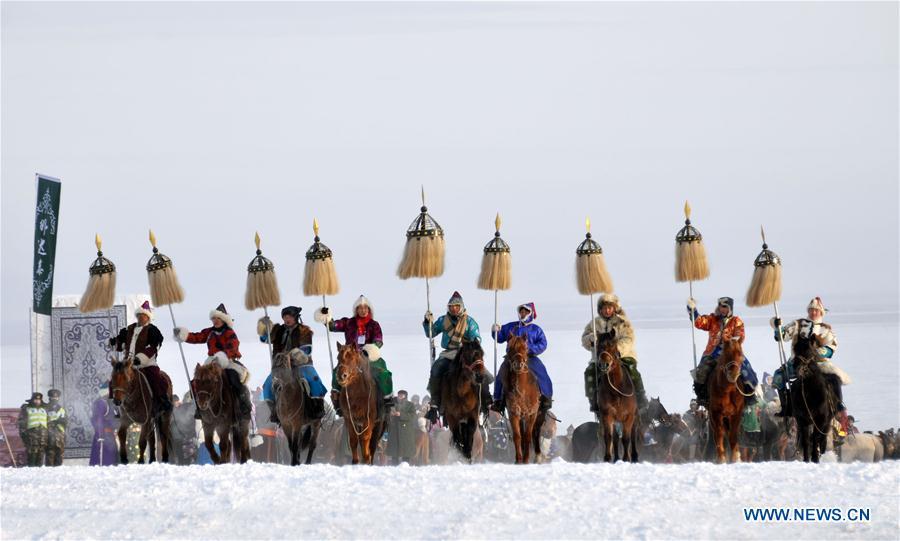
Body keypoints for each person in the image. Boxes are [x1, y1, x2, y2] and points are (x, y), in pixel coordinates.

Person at [771, 297, 848, 429]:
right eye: (811, 310)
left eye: (816, 310)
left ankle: (838, 405)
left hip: (819, 363)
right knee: (778, 376)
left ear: (821, 312)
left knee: (835, 378)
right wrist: (777, 326)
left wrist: (817, 353)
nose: (813, 313)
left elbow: (832, 347)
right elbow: (782, 337)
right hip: (797, 362)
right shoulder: (798, 324)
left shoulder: (826, 329)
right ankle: (786, 408)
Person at [174, 303, 253, 420]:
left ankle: (244, 405)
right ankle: (199, 408)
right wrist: (183, 335)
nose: (215, 321)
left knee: (234, 378)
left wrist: (222, 357)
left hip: (227, 361)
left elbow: (233, 347)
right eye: (213, 319)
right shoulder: (209, 332)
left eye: (218, 318)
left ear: (223, 320)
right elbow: (197, 337)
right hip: (211, 362)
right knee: (195, 382)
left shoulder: (230, 333)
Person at [316, 295, 394, 412]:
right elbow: (333, 326)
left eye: (365, 308)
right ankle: (337, 398)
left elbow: (379, 340)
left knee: (383, 373)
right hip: (350, 356)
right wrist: (326, 316)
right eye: (360, 308)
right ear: (356, 310)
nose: (363, 310)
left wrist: (370, 349)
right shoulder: (349, 322)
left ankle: (387, 399)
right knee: (338, 371)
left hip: (368, 356)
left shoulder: (374, 324)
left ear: (369, 310)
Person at [422, 291, 490, 423]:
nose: (453, 309)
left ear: (461, 306)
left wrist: (471, 345)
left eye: (456, 306)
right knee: (436, 369)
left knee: (482, 371)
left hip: (465, 353)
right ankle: (435, 403)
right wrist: (427, 322)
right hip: (449, 353)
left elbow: (476, 339)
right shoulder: (443, 320)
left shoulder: (470, 322)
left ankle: (486, 400)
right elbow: (431, 333)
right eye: (451, 306)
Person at [258, 306, 327, 422]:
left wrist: (296, 354)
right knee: (267, 385)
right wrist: (265, 327)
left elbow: (307, 349)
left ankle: (318, 407)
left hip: (301, 364)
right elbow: (265, 339)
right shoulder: (277, 330)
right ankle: (275, 411)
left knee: (314, 380)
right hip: (281, 366)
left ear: (295, 317)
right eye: (284, 317)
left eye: (289, 316)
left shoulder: (304, 330)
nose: (287, 319)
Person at [581, 294, 648, 412]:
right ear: (600, 309)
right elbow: (585, 339)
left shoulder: (622, 322)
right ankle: (594, 400)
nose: (607, 310)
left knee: (632, 370)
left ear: (614, 308)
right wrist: (592, 338)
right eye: (604, 308)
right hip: (601, 358)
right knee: (590, 372)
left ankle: (641, 396)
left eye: (609, 308)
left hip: (622, 355)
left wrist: (617, 350)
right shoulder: (594, 324)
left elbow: (629, 339)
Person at [687, 296, 757, 406]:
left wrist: (732, 341)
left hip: (731, 351)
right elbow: (699, 322)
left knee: (745, 369)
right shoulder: (712, 319)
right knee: (701, 372)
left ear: (730, 308)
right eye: (720, 306)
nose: (722, 309)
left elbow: (740, 334)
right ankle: (702, 396)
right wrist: (693, 309)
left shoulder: (736, 321)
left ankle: (749, 396)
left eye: (725, 306)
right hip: (712, 352)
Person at [490, 302, 553, 414]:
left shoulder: (536, 329)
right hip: (511, 358)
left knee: (542, 372)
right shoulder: (511, 326)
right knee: (501, 374)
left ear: (531, 313)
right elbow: (499, 338)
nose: (523, 313)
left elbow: (543, 344)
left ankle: (546, 397)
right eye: (521, 311)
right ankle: (498, 399)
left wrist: (528, 348)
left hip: (530, 357)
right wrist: (495, 330)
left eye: (525, 311)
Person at [110, 300, 172, 413]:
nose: (140, 318)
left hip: (146, 362)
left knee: (155, 378)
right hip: (128, 363)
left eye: (143, 316)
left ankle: (162, 401)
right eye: (139, 315)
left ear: (148, 317)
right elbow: (121, 340)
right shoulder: (129, 329)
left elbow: (154, 346)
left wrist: (140, 358)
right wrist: (115, 342)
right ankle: (114, 400)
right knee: (116, 376)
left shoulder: (153, 330)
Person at [90, 383, 119, 466]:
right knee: (105, 462)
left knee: (112, 462)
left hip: (110, 435)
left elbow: (116, 417)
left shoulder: (110, 403)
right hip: (104, 436)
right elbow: (98, 420)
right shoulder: (101, 403)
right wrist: (100, 435)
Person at [387, 390, 418, 465]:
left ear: (405, 396)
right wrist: (390, 413)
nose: (400, 396)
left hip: (406, 431)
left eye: (402, 395)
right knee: (394, 450)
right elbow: (386, 412)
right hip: (394, 429)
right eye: (399, 395)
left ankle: (405, 466)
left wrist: (401, 414)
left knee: (406, 451)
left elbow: (412, 416)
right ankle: (394, 465)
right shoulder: (392, 404)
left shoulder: (410, 405)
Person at [18, 392, 48, 467]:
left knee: (41, 453)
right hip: (31, 435)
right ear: (32, 400)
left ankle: (39, 471)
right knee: (32, 453)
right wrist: (24, 435)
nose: (37, 401)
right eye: (35, 399)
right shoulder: (26, 408)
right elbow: (21, 422)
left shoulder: (45, 409)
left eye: (39, 399)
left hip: (43, 435)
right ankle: (31, 471)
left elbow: (49, 422)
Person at [44, 389, 67, 466]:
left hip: (60, 435)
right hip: (49, 435)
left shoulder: (61, 409)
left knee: (59, 455)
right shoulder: (45, 408)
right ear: (49, 398)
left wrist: (58, 421)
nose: (54, 399)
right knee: (49, 455)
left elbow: (66, 420)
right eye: (53, 397)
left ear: (58, 398)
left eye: (56, 397)